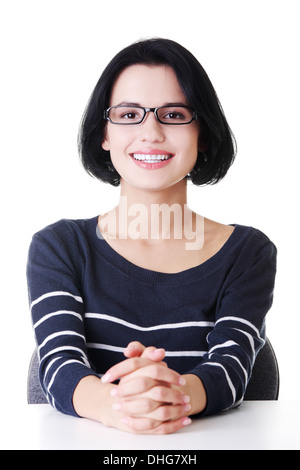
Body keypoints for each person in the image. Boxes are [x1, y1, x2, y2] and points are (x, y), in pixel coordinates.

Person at [27, 38, 277, 435]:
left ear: (204, 133)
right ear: (104, 134)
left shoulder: (248, 252)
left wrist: (166, 395)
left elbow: (230, 368)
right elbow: (58, 366)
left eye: (173, 114)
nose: (151, 132)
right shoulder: (59, 247)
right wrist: (122, 408)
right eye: (129, 114)